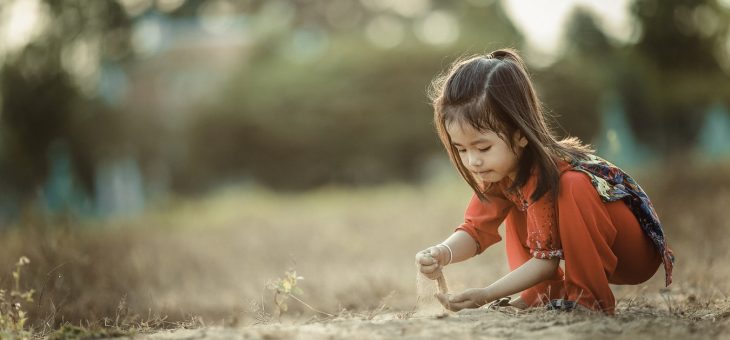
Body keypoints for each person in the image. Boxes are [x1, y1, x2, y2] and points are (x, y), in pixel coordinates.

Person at [415, 48, 675, 314]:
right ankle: (541, 295)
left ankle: (589, 300)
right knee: (519, 204)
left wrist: (486, 294)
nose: (473, 162)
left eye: (482, 148)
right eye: (461, 149)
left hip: (632, 253)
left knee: (573, 185)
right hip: (591, 252)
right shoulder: (499, 174)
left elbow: (545, 263)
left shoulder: (548, 172)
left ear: (521, 134)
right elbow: (475, 231)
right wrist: (442, 253)